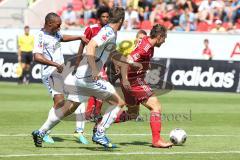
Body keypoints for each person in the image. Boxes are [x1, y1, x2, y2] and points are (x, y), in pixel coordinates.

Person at [31, 7, 142, 148]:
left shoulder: (110, 32)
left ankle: (41, 132)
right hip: (88, 77)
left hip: (80, 76)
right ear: (121, 20)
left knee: (68, 108)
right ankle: (100, 133)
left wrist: (130, 62)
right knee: (118, 102)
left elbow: (113, 52)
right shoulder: (108, 32)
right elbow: (91, 46)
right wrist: (95, 70)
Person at [31, 12, 88, 146]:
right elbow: (37, 57)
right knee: (61, 104)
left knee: (72, 100)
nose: (60, 27)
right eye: (58, 25)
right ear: (49, 23)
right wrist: (55, 64)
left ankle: (43, 132)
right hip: (51, 73)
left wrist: (79, 37)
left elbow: (62, 38)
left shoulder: (55, 33)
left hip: (61, 72)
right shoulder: (40, 36)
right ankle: (44, 132)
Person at [120, 24, 173, 148]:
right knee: (156, 107)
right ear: (159, 37)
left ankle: (101, 123)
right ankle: (157, 140)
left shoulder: (147, 40)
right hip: (134, 82)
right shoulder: (145, 48)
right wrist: (126, 79)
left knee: (132, 113)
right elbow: (128, 59)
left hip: (133, 80)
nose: (164, 41)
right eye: (164, 38)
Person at [72, 6, 110, 144]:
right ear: (99, 17)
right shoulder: (91, 29)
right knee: (77, 99)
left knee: (104, 94)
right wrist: (76, 63)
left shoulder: (109, 31)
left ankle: (94, 119)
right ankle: (87, 125)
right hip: (87, 66)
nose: (105, 19)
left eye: (107, 17)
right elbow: (82, 46)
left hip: (101, 67)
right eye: (103, 16)